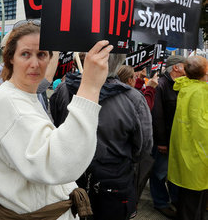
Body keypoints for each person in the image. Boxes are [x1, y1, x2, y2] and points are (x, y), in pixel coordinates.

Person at [0, 20, 113, 219]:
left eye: (42, 54)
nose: (35, 63)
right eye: (25, 54)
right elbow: (60, 162)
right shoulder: (9, 102)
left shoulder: (26, 95)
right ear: (10, 59)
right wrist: (90, 87)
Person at [51, 53, 153, 220]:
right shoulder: (133, 99)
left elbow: (55, 125)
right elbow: (144, 147)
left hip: (72, 179)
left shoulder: (62, 89)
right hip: (112, 182)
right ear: (119, 63)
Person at [168, 55, 208, 220]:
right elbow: (202, 127)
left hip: (186, 152)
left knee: (187, 199)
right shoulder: (201, 92)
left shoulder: (185, 87)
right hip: (198, 155)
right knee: (194, 202)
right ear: (205, 71)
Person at [150, 55, 186, 219]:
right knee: (159, 173)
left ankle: (176, 200)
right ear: (176, 68)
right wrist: (162, 142)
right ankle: (161, 203)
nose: (188, 68)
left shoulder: (181, 84)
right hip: (164, 139)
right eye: (185, 65)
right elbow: (157, 116)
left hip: (177, 138)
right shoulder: (161, 85)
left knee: (174, 171)